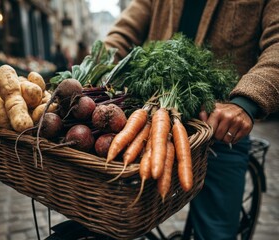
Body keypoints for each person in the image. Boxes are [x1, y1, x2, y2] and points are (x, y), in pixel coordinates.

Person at [104, 0, 279, 239]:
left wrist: (246, 102)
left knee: (215, 233)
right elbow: (124, 31)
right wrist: (98, 67)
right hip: (153, 116)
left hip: (220, 124)